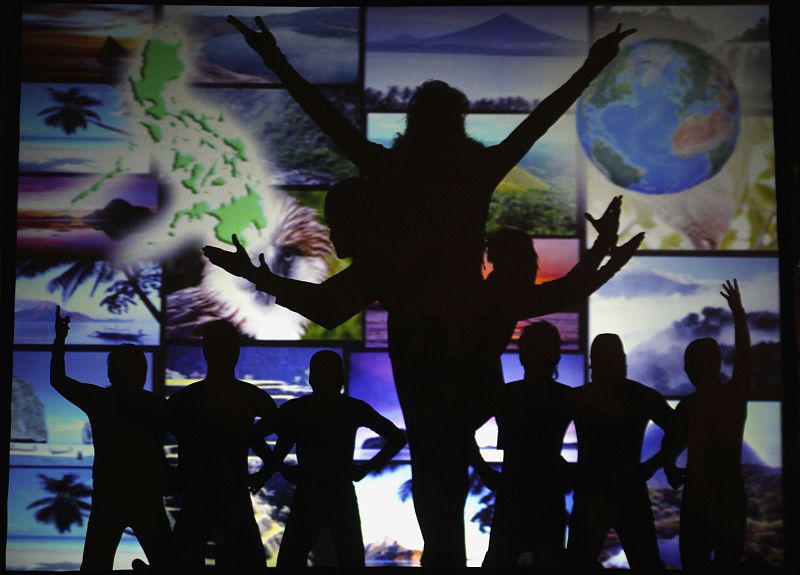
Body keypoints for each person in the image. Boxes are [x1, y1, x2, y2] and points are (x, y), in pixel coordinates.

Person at [211, 17, 635, 565]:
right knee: (441, 472)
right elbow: (540, 119)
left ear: (413, 126)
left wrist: (275, 59)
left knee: (436, 472)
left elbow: (328, 122)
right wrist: (593, 64)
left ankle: (447, 555)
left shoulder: (396, 173)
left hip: (425, 337)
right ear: (454, 125)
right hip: (458, 334)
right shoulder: (467, 170)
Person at [252, 350, 406, 566]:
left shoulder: (298, 409)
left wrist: (281, 470)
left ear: (311, 378)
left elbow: (254, 436)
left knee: (290, 561)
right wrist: (364, 469)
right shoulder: (352, 408)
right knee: (350, 560)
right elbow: (397, 438)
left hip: (309, 492)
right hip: (340, 493)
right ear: (340, 378)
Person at [50, 306, 171, 571]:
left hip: (109, 496)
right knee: (166, 564)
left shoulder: (100, 401)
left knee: (95, 565)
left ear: (111, 373)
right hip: (147, 494)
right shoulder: (158, 405)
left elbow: (58, 380)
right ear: (142, 373)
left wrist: (60, 340)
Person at [165, 320, 277, 570]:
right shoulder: (251, 396)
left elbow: (160, 434)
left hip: (200, 492)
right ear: (236, 351)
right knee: (250, 560)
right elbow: (280, 432)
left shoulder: (184, 399)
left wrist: (173, 476)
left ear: (205, 351)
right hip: (232, 491)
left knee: (181, 558)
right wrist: (265, 471)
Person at [662, 279, 750, 570]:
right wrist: (738, 313)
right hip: (727, 499)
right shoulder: (732, 397)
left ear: (692, 368)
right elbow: (745, 358)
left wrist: (672, 469)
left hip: (700, 502)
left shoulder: (692, 405)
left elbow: (670, 450)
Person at [567, 333, 673, 571]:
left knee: (578, 563)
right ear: (622, 360)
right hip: (628, 490)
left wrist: (567, 471)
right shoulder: (642, 396)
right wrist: (655, 464)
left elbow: (545, 437)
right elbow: (680, 431)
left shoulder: (578, 398)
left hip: (593, 492)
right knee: (646, 563)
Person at [477, 321, 575, 568]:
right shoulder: (566, 397)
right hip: (543, 491)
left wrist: (484, 471)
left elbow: (462, 429)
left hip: (517, 489)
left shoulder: (508, 395)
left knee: (504, 558)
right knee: (544, 559)